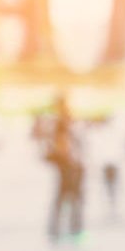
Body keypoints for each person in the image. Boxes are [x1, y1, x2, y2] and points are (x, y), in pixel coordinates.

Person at [44, 92, 84, 242]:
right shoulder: (62, 121)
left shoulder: (60, 120)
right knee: (70, 197)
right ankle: (72, 229)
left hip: (67, 164)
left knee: (65, 198)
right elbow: (63, 143)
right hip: (68, 165)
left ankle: (61, 229)